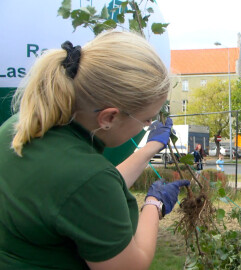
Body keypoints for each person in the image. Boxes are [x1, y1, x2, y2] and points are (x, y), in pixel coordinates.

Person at [0, 31, 190, 269]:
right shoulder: (86, 178)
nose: (147, 126)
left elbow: (75, 197)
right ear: (108, 117)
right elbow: (131, 265)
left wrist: (150, 148)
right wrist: (154, 205)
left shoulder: (20, 127)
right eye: (146, 119)